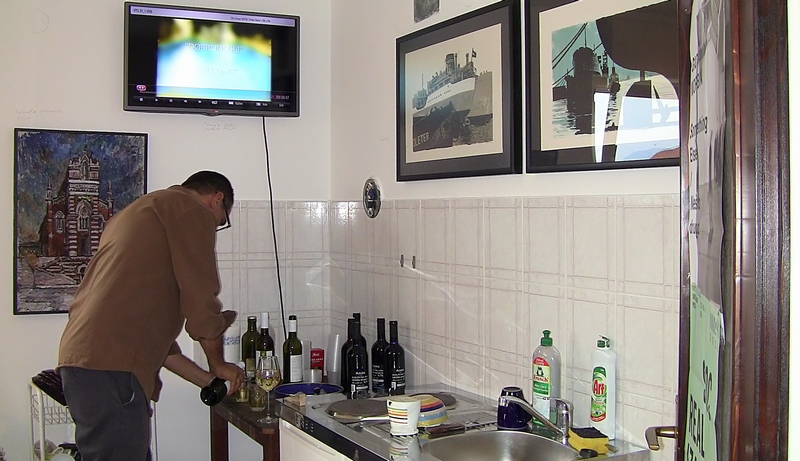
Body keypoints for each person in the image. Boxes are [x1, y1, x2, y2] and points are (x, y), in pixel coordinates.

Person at [57, 171, 245, 461]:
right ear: (216, 199)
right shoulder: (190, 210)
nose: (215, 227)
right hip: (112, 371)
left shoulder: (141, 211)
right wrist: (219, 364)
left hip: (85, 364)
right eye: (221, 221)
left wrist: (208, 381)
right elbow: (201, 301)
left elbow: (159, 347)